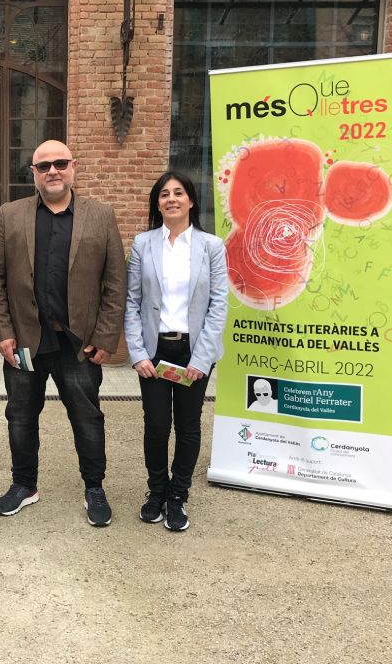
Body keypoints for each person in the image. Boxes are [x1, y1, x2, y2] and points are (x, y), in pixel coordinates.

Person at [0, 139, 127, 527]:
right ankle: (24, 485)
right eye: (43, 165)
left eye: (60, 163)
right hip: (25, 342)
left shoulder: (100, 215)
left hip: (77, 343)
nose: (53, 171)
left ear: (73, 167)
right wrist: (1, 333)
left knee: (87, 418)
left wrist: (105, 336)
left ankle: (94, 488)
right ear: (32, 173)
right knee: (20, 417)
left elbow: (116, 282)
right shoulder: (10, 215)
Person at [124, 170, 227, 532]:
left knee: (187, 425)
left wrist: (202, 358)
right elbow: (132, 301)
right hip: (154, 349)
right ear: (157, 203)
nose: (171, 199)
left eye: (178, 192)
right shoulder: (143, 244)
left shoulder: (212, 247)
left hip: (193, 350)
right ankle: (156, 491)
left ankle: (177, 495)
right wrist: (137, 353)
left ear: (191, 201)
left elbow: (219, 305)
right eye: (164, 194)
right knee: (155, 425)